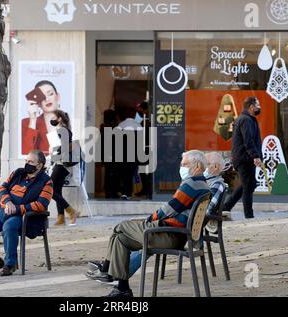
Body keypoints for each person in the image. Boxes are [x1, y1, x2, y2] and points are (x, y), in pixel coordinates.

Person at [86, 150, 210, 297]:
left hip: (170, 235)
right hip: (176, 234)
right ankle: (122, 289)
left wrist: (150, 219)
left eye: (184, 164)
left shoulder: (191, 183)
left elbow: (169, 209)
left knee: (121, 226)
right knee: (120, 239)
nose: (181, 167)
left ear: (196, 165)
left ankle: (106, 268)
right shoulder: (202, 185)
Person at [0, 150, 53, 276]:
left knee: (9, 227)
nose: (27, 164)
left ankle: (10, 264)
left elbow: (41, 204)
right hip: (3, 211)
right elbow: (1, 189)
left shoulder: (46, 181)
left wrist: (17, 209)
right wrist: (8, 202)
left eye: (31, 162)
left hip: (22, 217)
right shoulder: (17, 173)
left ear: (40, 165)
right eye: (26, 161)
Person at [223, 96, 262, 219]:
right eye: (258, 105)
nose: (259, 107)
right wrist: (255, 156)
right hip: (245, 159)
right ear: (251, 107)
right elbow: (248, 140)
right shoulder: (246, 120)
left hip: (245, 158)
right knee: (248, 187)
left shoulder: (247, 119)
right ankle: (249, 216)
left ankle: (225, 208)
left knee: (246, 185)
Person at [49, 109, 80, 226]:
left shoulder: (63, 130)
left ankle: (71, 211)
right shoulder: (64, 130)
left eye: (53, 117)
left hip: (62, 163)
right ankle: (61, 217)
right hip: (62, 163)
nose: (51, 120)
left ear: (60, 118)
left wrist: (55, 152)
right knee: (57, 190)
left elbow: (64, 147)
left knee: (49, 189)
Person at [21, 80, 62, 155]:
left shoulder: (67, 120)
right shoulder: (26, 123)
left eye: (50, 94)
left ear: (58, 96)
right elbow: (27, 153)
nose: (47, 99)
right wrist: (33, 120)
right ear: (37, 102)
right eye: (42, 97)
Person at [116, 106, 142, 200]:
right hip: (134, 152)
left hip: (122, 152)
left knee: (123, 172)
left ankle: (124, 192)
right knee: (131, 172)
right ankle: (129, 193)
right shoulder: (138, 125)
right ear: (134, 115)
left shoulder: (121, 125)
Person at [203, 152, 227, 233]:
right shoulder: (207, 182)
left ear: (216, 166)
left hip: (200, 219)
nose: (202, 168)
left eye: (206, 164)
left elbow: (209, 208)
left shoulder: (217, 184)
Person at [100, 109, 120, 199]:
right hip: (114, 151)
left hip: (105, 152)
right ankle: (114, 191)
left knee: (108, 173)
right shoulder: (115, 126)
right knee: (114, 173)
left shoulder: (103, 126)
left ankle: (108, 192)